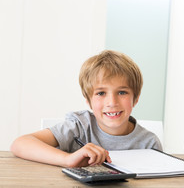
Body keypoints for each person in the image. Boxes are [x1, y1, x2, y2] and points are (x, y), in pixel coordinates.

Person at [11, 50, 162, 168]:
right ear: (88, 101)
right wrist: (67, 159)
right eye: (101, 93)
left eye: (122, 92)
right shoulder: (78, 127)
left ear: (135, 98)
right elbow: (20, 144)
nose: (112, 102)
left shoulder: (149, 143)